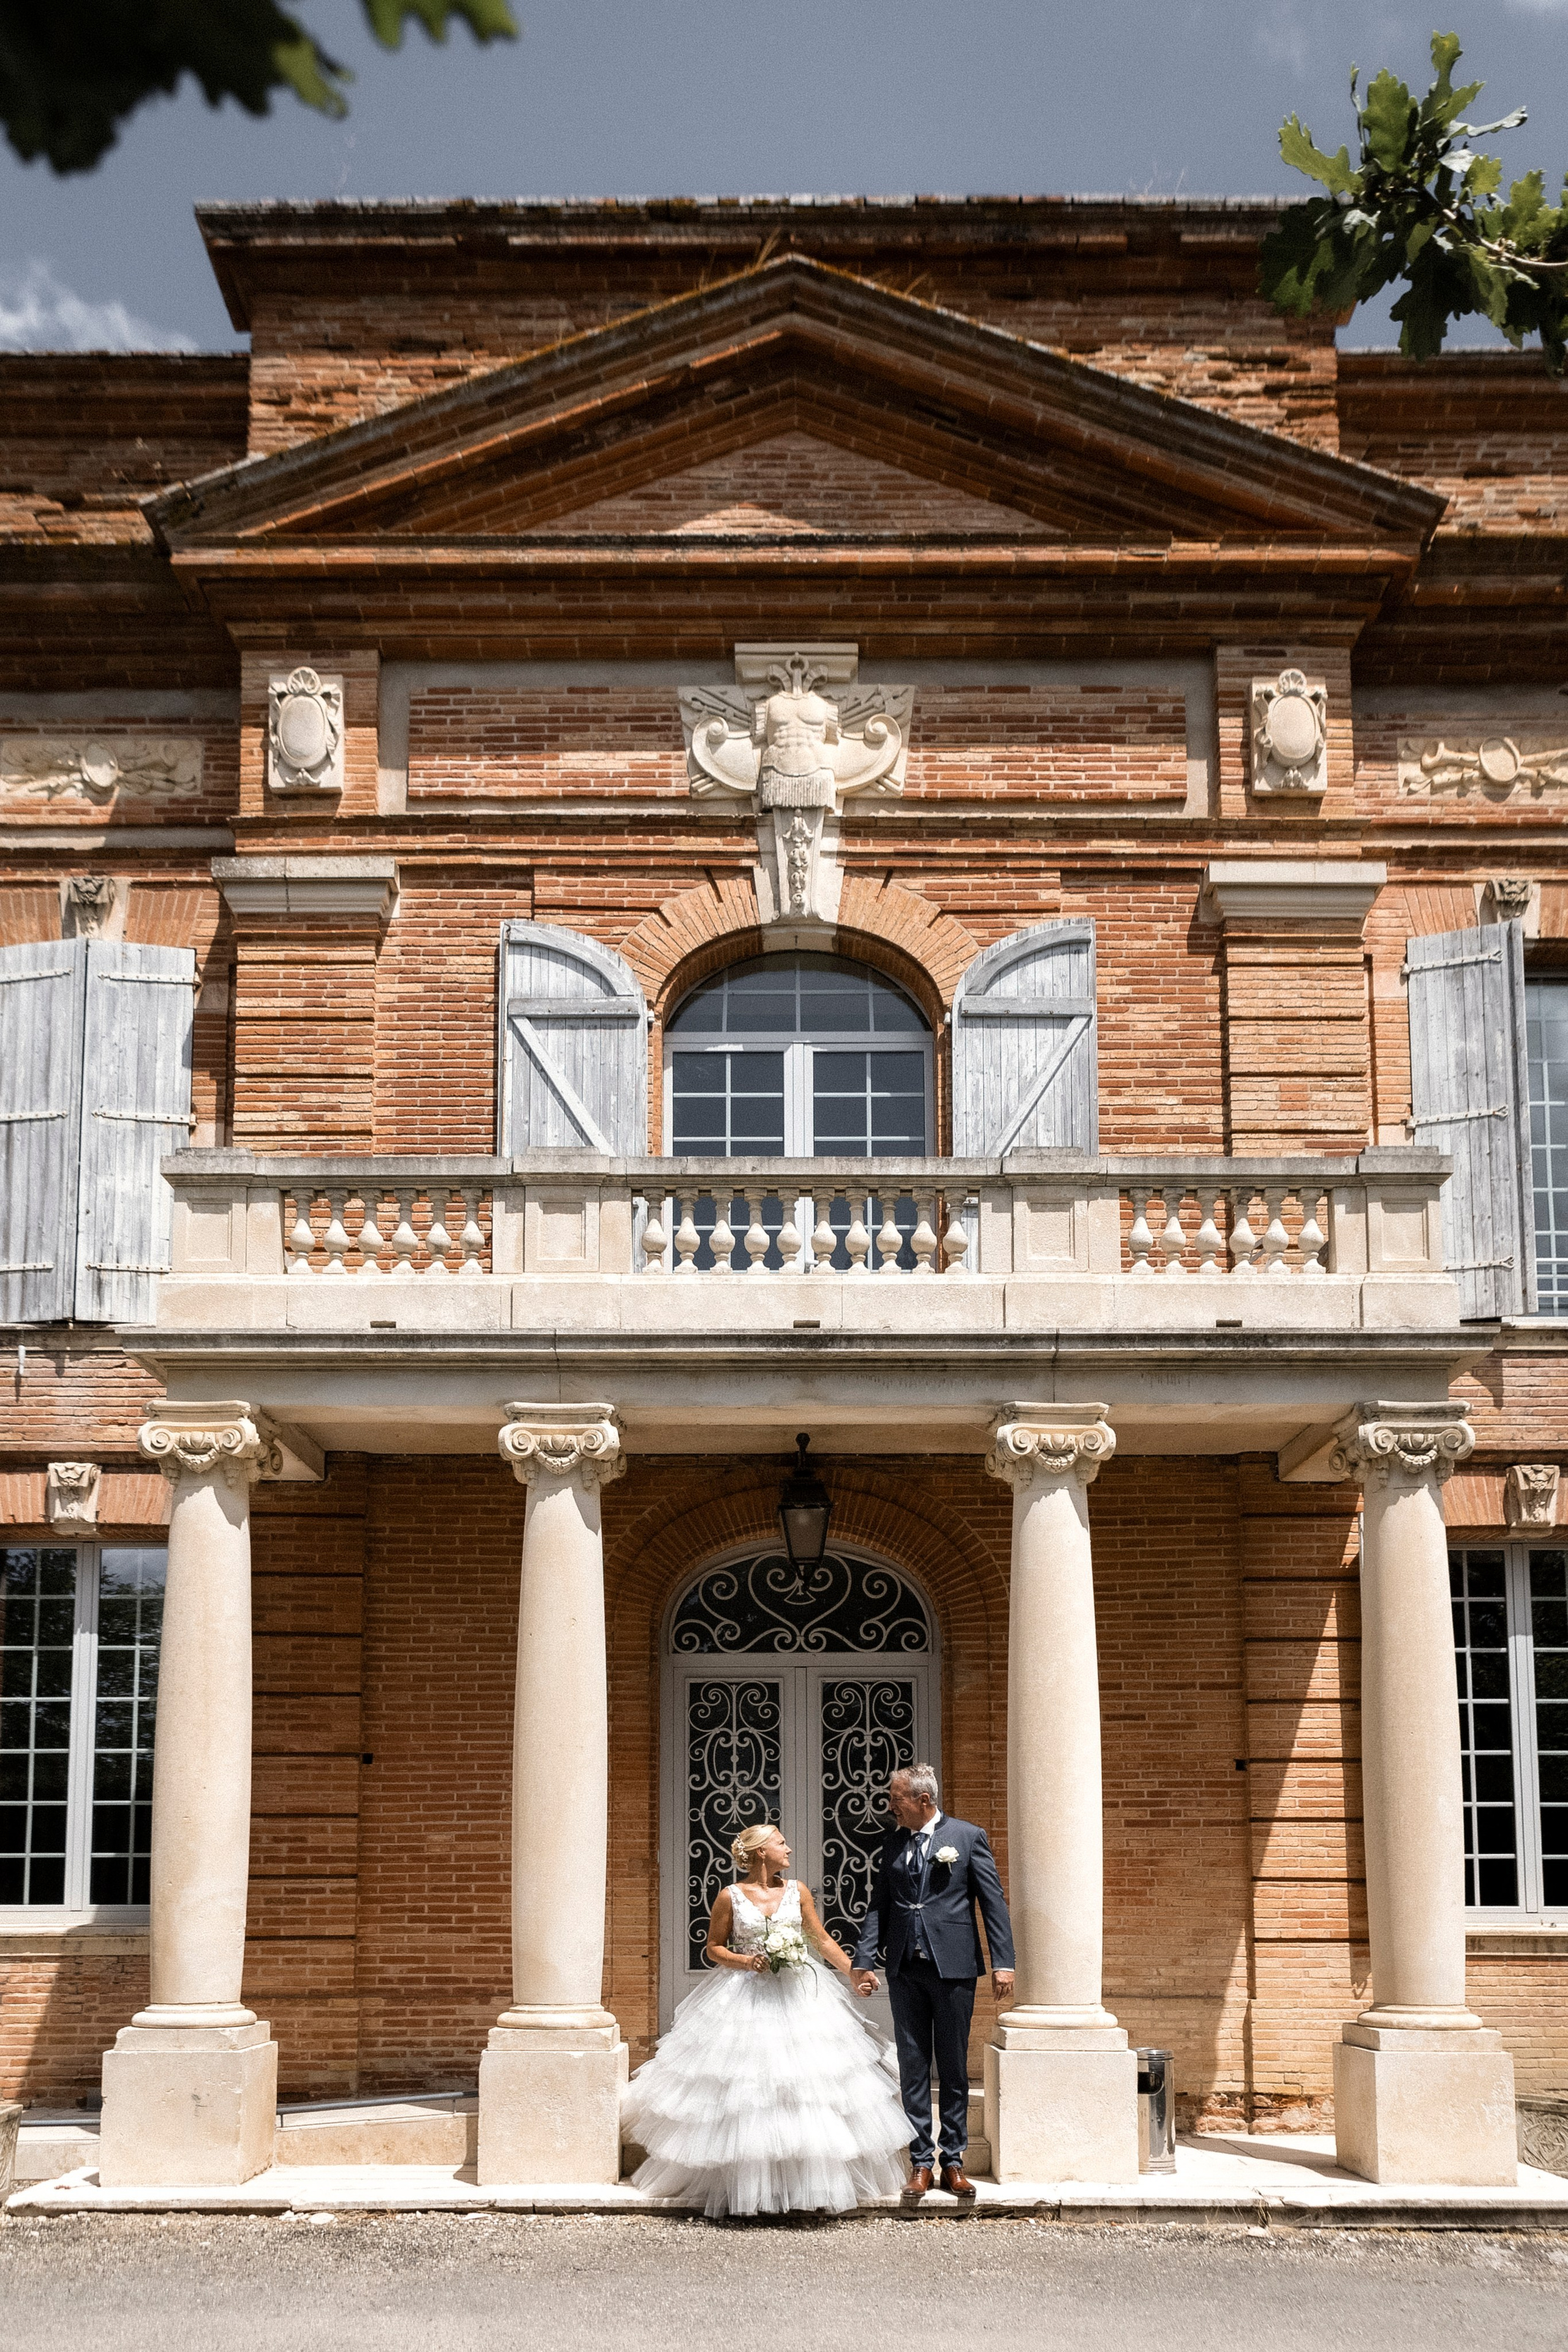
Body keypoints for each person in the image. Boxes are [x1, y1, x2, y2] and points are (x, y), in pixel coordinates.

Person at [622, 1822, 909, 2218]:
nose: (788, 1849)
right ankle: (749, 2189)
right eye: (781, 1843)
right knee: (749, 2092)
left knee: (804, 2087)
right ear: (761, 1852)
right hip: (744, 1994)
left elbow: (821, 1939)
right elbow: (713, 1948)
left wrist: (854, 1971)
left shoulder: (798, 1891)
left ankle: (803, 2186)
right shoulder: (731, 1897)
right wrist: (746, 1961)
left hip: (799, 1995)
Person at [851, 1763, 1014, 2204]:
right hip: (905, 1968)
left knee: (954, 2066)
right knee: (914, 2065)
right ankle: (921, 2161)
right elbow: (879, 1905)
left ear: (924, 1801)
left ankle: (954, 2161)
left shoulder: (966, 1837)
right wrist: (864, 1960)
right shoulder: (894, 1842)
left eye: (896, 1798)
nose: (890, 1806)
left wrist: (1004, 1962)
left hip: (954, 1968)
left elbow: (992, 1902)